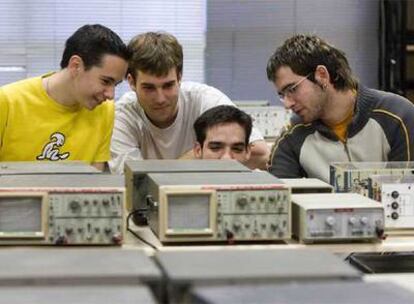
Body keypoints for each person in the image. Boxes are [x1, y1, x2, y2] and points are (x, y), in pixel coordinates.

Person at [109, 31, 269, 174]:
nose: (160, 98)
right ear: (131, 82)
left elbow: (260, 153)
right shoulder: (122, 115)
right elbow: (135, 184)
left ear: (180, 77)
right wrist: (204, 155)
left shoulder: (205, 99)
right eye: (149, 88)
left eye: (168, 85)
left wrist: (170, 171)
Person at [266, 34, 414, 183]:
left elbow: (407, 193)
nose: (287, 104)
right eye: (282, 94)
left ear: (322, 76)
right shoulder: (294, 134)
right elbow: (279, 196)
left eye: (292, 89)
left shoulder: (398, 116)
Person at [0, 24, 129, 171]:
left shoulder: (105, 110)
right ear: (76, 66)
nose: (111, 95)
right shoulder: (7, 102)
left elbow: (95, 183)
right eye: (106, 81)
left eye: (116, 85)